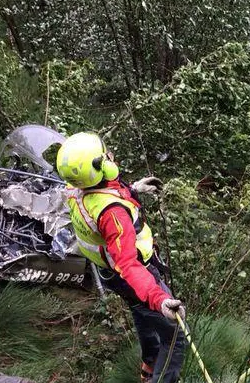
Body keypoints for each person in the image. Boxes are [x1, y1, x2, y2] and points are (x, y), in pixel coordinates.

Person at [56, 132, 185, 383]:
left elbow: (101, 193)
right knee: (175, 335)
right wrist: (159, 299)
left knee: (140, 311)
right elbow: (128, 263)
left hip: (111, 275)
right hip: (134, 275)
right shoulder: (113, 215)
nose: (110, 155)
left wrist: (134, 189)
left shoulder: (75, 189)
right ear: (101, 165)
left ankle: (149, 366)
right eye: (105, 154)